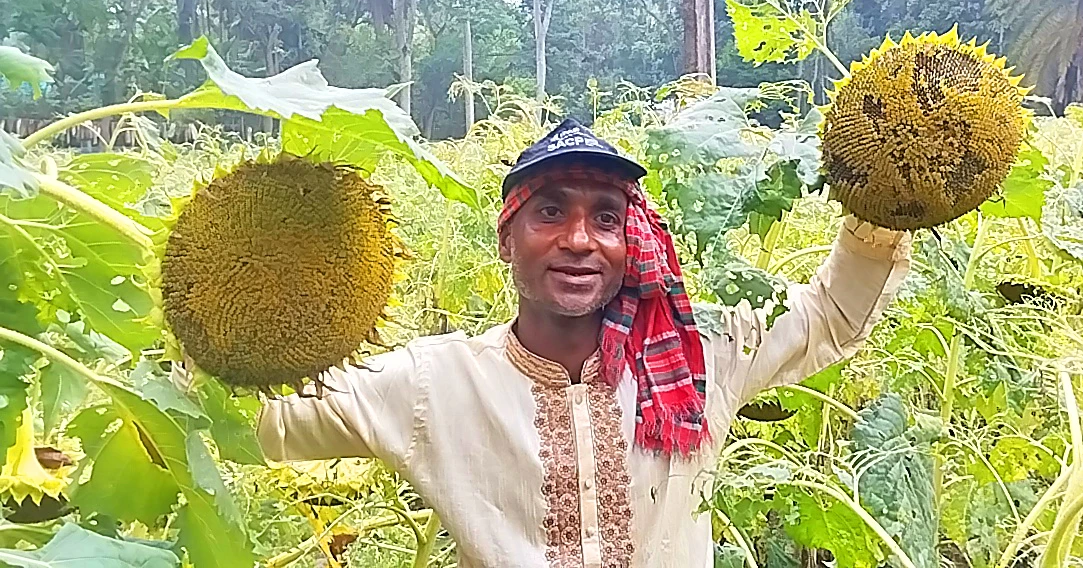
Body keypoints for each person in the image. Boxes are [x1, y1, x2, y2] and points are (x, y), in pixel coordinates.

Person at [257, 118, 914, 568]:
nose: (579, 240)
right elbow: (265, 419)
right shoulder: (436, 385)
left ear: (632, 243)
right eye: (551, 211)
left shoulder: (700, 357)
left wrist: (888, 192)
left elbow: (830, 314)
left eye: (605, 217)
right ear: (507, 238)